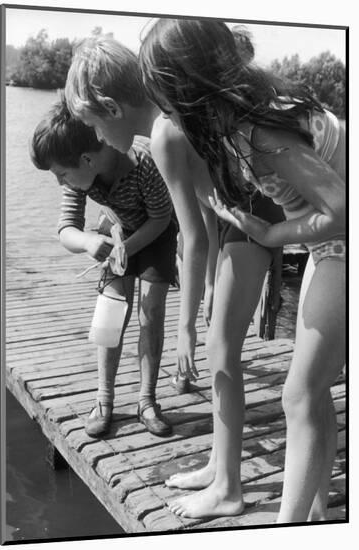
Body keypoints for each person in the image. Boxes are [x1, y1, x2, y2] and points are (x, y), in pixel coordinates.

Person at [64, 29, 285, 520]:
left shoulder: (163, 133)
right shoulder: (169, 123)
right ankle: (219, 465)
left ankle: (228, 487)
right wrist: (207, 287)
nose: (98, 139)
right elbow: (208, 202)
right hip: (243, 221)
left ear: (111, 107)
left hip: (252, 223)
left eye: (95, 127)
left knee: (218, 350)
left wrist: (184, 325)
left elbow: (193, 236)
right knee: (220, 350)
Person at [139, 19, 345, 523]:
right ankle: (317, 512)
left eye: (165, 100)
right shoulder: (245, 118)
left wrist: (274, 236)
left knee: (298, 394)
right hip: (329, 249)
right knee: (311, 392)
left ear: (188, 90)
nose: (164, 115)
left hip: (342, 244)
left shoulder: (257, 129)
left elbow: (341, 208)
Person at [30, 96, 178, 438]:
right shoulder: (78, 176)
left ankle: (147, 400)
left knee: (150, 312)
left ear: (85, 159)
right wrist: (88, 242)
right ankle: (104, 399)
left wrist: (126, 249)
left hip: (156, 234)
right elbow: (66, 230)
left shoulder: (143, 161)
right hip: (115, 233)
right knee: (111, 313)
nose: (60, 182)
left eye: (61, 173)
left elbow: (160, 218)